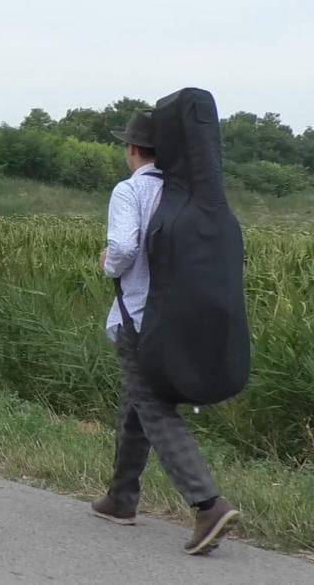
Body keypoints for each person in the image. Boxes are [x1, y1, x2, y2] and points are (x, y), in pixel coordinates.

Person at [91, 109, 240, 555]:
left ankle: (208, 503)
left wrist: (106, 263)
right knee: (135, 405)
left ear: (132, 149)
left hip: (137, 321)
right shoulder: (188, 193)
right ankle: (121, 498)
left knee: (154, 409)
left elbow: (122, 248)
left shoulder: (131, 191)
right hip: (178, 320)